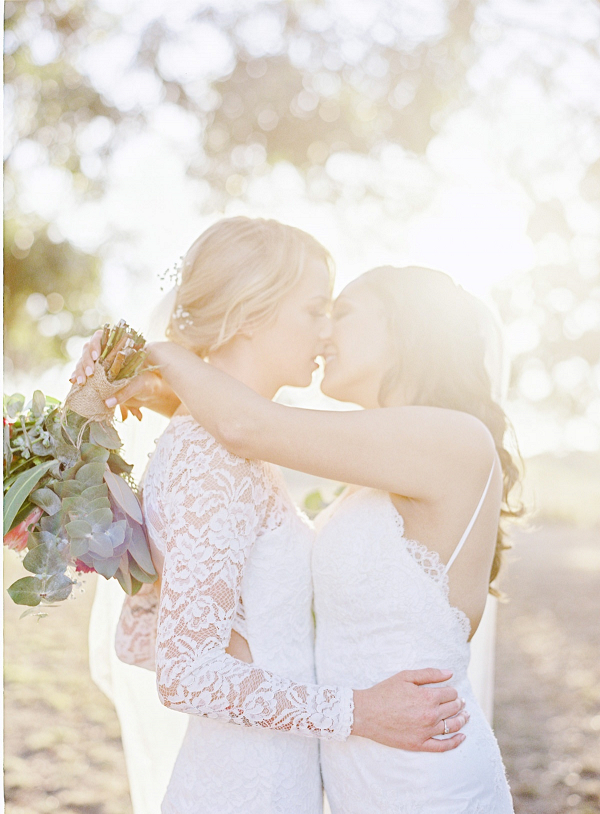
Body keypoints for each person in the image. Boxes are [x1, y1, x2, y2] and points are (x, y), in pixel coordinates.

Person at [83, 264, 519, 812]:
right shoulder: (383, 465)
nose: (325, 332)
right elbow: (250, 446)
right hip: (353, 776)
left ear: (406, 325)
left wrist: (166, 356)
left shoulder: (452, 438)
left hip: (424, 776)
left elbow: (250, 428)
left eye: (341, 313)